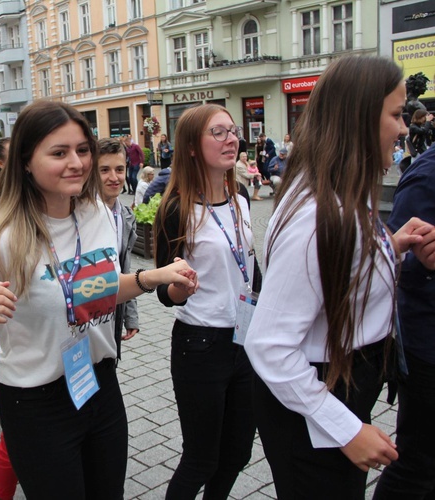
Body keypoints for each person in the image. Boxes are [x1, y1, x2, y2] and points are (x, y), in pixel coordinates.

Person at [0, 100, 197, 499]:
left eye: (82, 150)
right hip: (35, 402)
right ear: (26, 161)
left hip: (98, 384)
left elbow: (96, 289)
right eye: (59, 153)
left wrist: (151, 277)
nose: (76, 162)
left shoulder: (97, 214)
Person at [244, 55, 435, 500]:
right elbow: (269, 345)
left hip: (333, 387)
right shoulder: (318, 215)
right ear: (360, 118)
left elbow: (338, 276)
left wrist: (391, 247)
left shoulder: (339, 192)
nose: (405, 128)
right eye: (395, 114)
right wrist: (346, 429)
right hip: (315, 400)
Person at [154, 105, 256, 500]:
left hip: (245, 338)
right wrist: (179, 288)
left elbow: (249, 265)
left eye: (232, 130)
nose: (231, 138)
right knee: (200, 458)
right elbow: (163, 288)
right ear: (193, 147)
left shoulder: (241, 197)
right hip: (200, 344)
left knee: (237, 454)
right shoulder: (177, 208)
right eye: (218, 132)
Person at [374, 140, 435, 498]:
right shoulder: (427, 175)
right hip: (426, 346)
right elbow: (394, 255)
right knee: (417, 465)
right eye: (395, 115)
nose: (401, 130)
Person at [98, 138, 139, 350]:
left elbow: (124, 269)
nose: (114, 178)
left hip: (114, 316)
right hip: (85, 321)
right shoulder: (78, 216)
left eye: (119, 169)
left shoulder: (126, 216)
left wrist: (130, 315)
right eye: (104, 170)